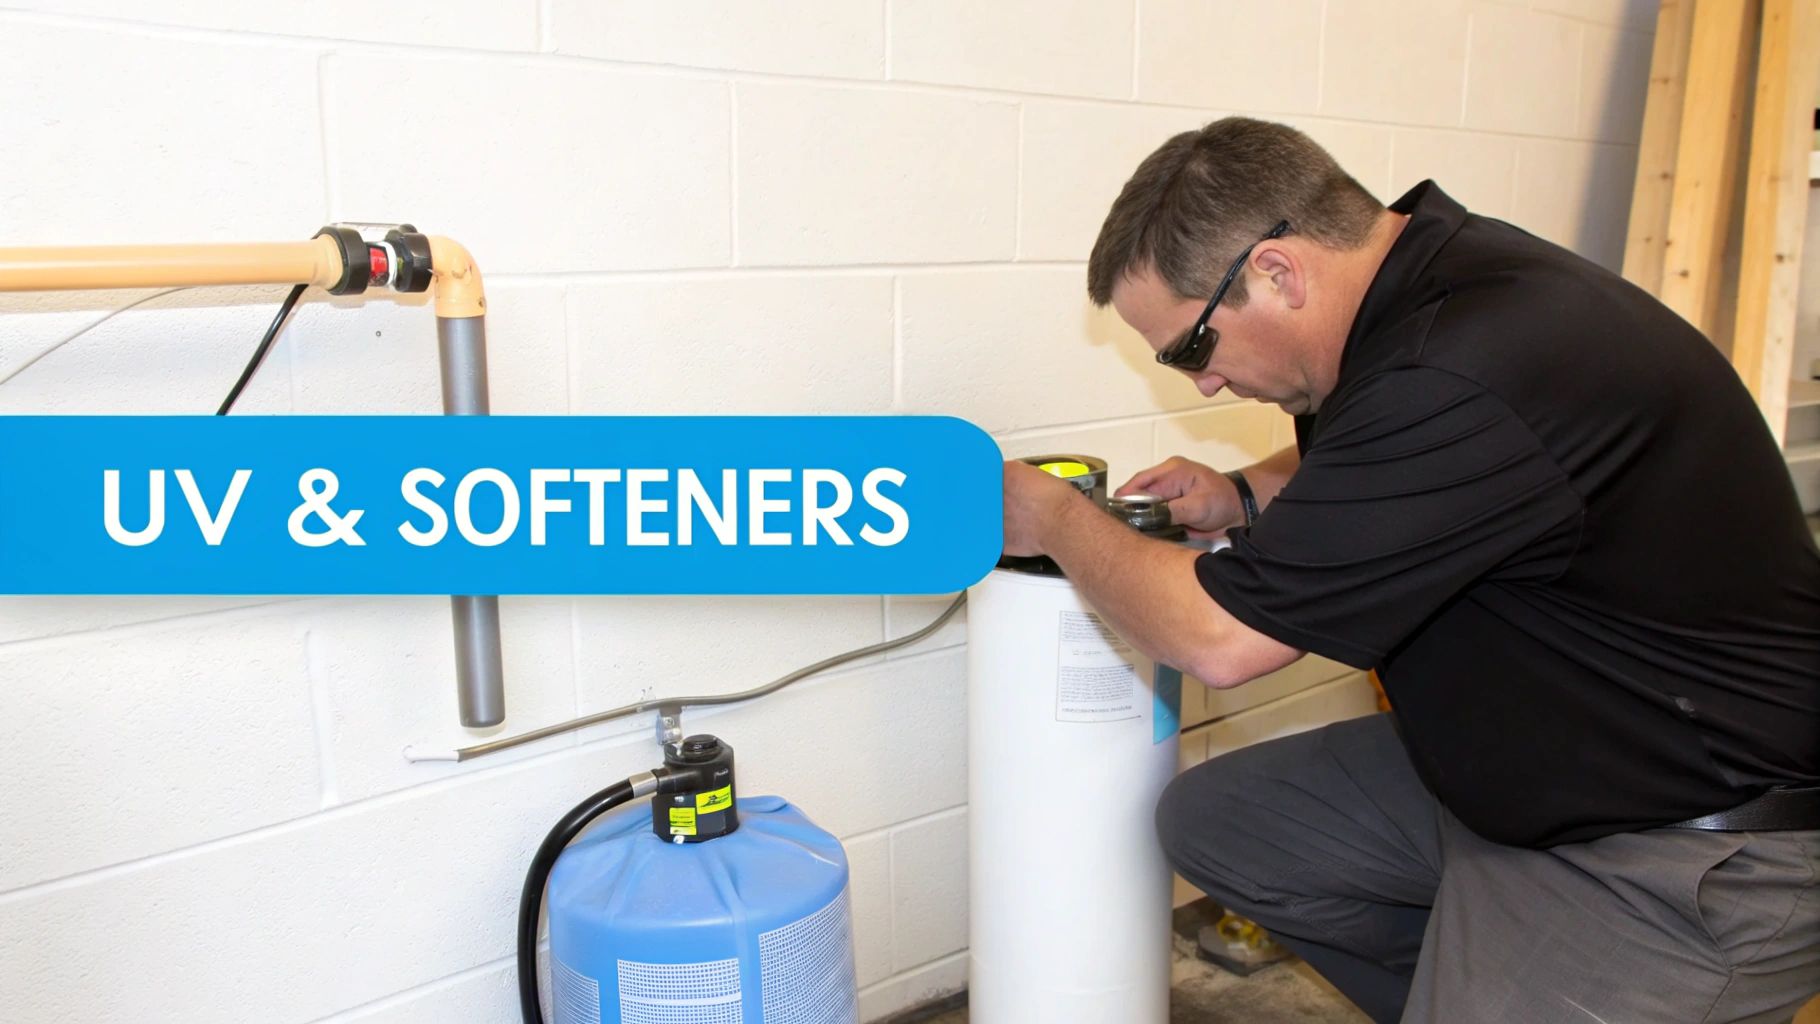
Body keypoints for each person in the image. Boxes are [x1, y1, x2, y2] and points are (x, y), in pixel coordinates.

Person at [998, 117, 1820, 1023]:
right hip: (1530, 772)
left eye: (1193, 348)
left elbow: (1219, 640)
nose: (1204, 386)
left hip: (1686, 851)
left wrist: (1054, 517)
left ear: (1276, 273)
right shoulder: (1430, 283)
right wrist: (1242, 494)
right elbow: (1397, 458)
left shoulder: (1459, 367)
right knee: (1224, 822)